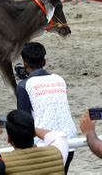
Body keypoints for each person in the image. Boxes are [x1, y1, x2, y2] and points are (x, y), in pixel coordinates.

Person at [16, 42, 76, 173]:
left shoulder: (24, 86)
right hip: (69, 139)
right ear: (44, 61)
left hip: (44, 142)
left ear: (25, 63)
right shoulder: (59, 79)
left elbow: (24, 120)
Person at [0, 110, 70, 174]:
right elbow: (58, 137)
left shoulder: (2, 162)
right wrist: (30, 129)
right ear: (34, 134)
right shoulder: (57, 153)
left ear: (9, 139)